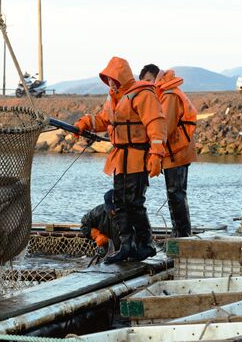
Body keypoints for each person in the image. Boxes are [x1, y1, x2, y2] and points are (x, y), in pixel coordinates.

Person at [74, 57, 167, 263]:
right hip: (119, 159)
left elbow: (156, 124)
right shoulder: (113, 97)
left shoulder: (143, 94)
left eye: (113, 78)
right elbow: (104, 120)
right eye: (108, 79)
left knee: (135, 203)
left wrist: (156, 154)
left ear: (122, 76)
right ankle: (126, 245)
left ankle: (146, 244)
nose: (111, 82)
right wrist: (85, 122)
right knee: (119, 202)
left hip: (138, 157)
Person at [140, 64, 197, 237]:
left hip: (178, 152)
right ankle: (179, 232)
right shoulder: (163, 93)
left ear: (158, 78)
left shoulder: (169, 95)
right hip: (174, 151)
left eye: (150, 81)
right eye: (144, 83)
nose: (148, 85)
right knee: (175, 193)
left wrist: (149, 147)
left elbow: (165, 126)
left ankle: (181, 234)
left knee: (176, 193)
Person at [80, 189, 120, 257]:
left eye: (116, 208)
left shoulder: (131, 214)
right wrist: (97, 235)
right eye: (111, 209)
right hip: (106, 251)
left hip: (125, 252)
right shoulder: (98, 212)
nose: (113, 211)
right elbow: (84, 224)